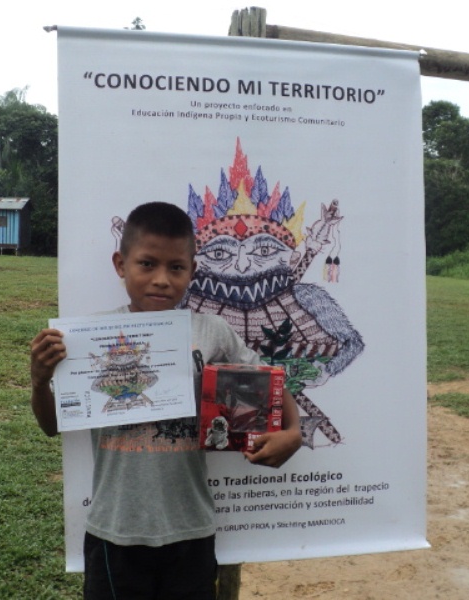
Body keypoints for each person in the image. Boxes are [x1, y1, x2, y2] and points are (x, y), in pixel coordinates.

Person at [30, 201, 302, 600]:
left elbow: (268, 382)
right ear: (120, 264)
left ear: (193, 271)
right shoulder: (89, 337)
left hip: (190, 529)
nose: (161, 280)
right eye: (147, 264)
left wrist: (293, 432)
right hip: (115, 530)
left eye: (176, 267)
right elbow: (52, 426)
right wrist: (40, 382)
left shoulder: (212, 332)